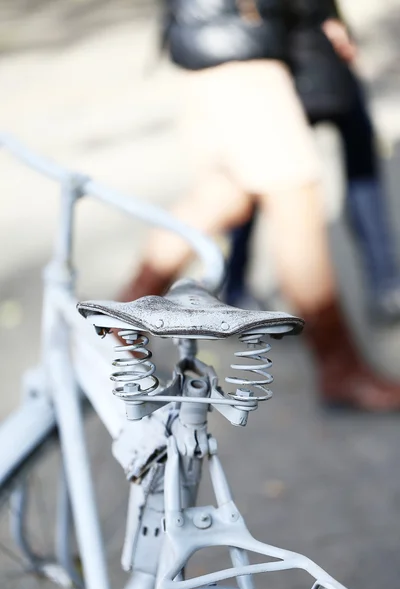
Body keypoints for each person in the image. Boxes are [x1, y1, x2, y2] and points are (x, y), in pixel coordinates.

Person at [119, 0, 400, 411]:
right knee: (295, 199)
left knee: (224, 194)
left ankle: (118, 328)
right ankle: (341, 370)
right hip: (241, 44)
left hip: (218, 39)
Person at [225, 0, 400, 323]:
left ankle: (385, 282)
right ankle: (233, 284)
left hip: (304, 58)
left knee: (260, 183)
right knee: (260, 188)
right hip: (275, 68)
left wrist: (333, 19)